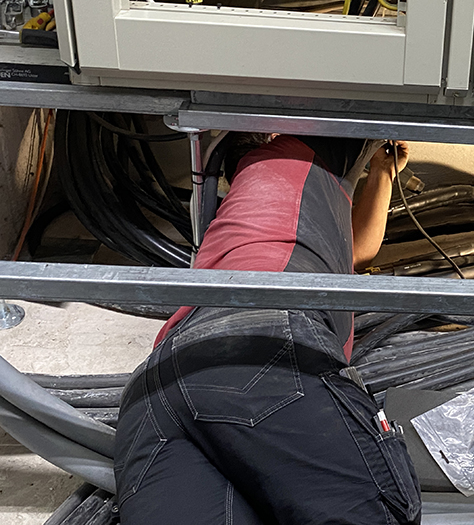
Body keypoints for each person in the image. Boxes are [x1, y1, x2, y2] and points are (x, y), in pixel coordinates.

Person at [113, 134, 420, 525]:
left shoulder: (274, 211)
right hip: (254, 348)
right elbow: (361, 112)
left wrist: (382, 171)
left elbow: (357, 248)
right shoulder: (286, 156)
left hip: (154, 388)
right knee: (375, 513)